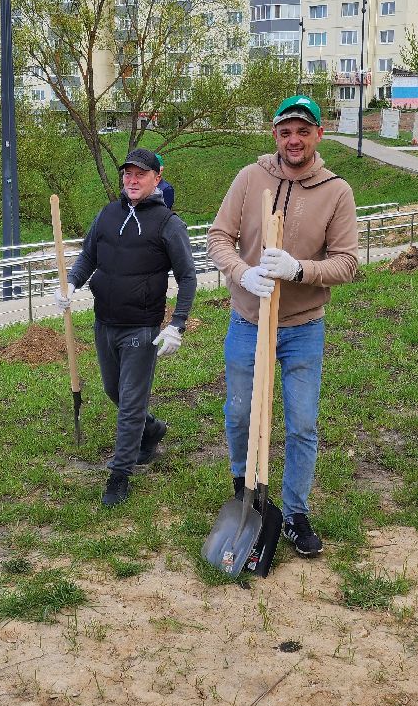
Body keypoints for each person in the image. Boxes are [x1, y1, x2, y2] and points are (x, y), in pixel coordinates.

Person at [206, 96, 359, 558]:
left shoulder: (336, 191)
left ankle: (294, 512)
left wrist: (300, 270)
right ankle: (243, 491)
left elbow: (348, 262)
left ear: (318, 134)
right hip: (248, 321)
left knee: (302, 423)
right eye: (285, 131)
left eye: (303, 131)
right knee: (239, 413)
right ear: (275, 135)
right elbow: (218, 238)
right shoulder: (250, 179)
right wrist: (241, 272)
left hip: (301, 328)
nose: (294, 140)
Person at [57, 147, 198, 506]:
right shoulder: (107, 214)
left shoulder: (168, 224)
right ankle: (151, 431)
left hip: (142, 327)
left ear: (157, 177)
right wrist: (71, 284)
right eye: (127, 174)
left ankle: (120, 475)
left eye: (141, 174)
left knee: (131, 401)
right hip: (105, 322)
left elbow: (188, 277)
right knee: (114, 391)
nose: (132, 180)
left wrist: (177, 324)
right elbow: (89, 255)